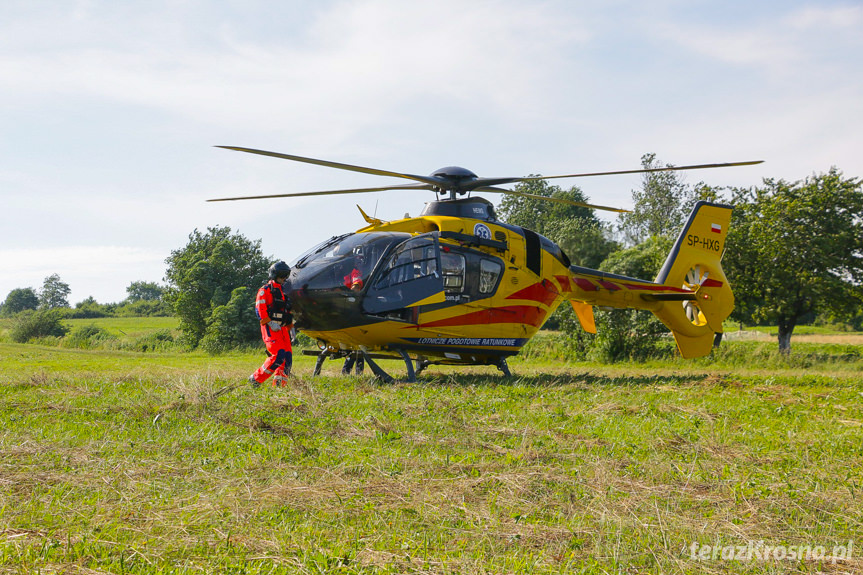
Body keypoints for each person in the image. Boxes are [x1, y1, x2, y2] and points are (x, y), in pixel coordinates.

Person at [249, 261, 293, 387]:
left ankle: (279, 386)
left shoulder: (284, 291)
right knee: (278, 355)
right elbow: (260, 308)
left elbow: (287, 311)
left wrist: (291, 326)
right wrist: (270, 323)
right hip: (270, 327)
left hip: (283, 328)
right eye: (282, 275)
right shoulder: (265, 290)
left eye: (286, 276)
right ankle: (255, 379)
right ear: (274, 275)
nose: (284, 279)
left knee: (287, 358)